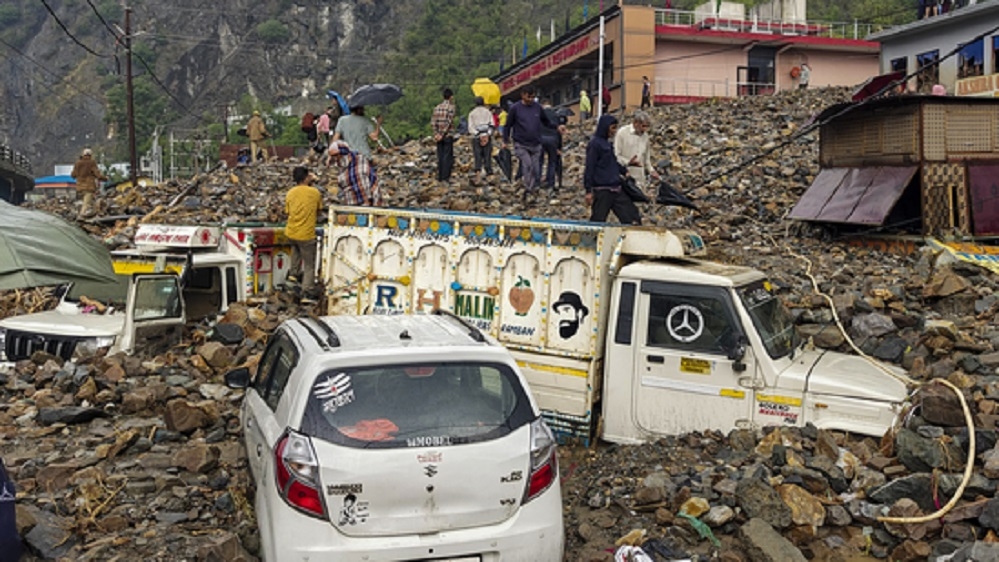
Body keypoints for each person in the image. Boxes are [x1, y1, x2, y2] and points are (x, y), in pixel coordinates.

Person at [503, 86, 565, 202]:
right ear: (523, 95)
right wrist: (505, 141)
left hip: (536, 144)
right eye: (528, 96)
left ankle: (532, 187)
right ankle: (529, 190)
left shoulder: (537, 108)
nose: (530, 99)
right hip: (521, 143)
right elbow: (508, 125)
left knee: (536, 169)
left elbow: (546, 121)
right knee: (527, 165)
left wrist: (557, 127)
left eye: (533, 97)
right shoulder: (515, 109)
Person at [585, 114, 640, 225]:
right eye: (613, 128)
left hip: (616, 188)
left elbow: (612, 163)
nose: (614, 131)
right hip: (602, 190)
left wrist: (624, 171)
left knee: (632, 217)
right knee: (597, 222)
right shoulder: (595, 144)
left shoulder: (607, 145)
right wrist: (588, 190)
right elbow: (589, 167)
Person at [285, 166, 323, 297]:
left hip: (291, 232)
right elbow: (318, 212)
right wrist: (313, 182)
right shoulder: (315, 193)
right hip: (306, 235)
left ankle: (291, 281)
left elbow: (288, 212)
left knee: (295, 255)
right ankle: (307, 291)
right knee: (309, 265)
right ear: (306, 177)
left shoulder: (290, 193)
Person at [614, 110, 660, 189]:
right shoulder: (622, 133)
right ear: (635, 123)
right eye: (643, 126)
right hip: (625, 177)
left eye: (647, 126)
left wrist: (652, 171)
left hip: (640, 179)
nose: (645, 129)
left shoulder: (645, 136)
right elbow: (616, 155)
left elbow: (646, 159)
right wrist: (628, 162)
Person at [328, 141, 381, 206]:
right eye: (332, 156)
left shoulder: (359, 160)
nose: (335, 158)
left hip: (368, 203)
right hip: (351, 205)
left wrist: (377, 203)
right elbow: (338, 190)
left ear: (343, 152)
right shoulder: (337, 169)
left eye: (336, 155)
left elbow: (372, 179)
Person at [70, 148, 107, 218]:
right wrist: (105, 179)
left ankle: (95, 215)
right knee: (86, 204)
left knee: (91, 203)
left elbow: (73, 175)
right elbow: (97, 175)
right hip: (88, 187)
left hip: (79, 187)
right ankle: (81, 216)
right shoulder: (91, 162)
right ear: (90, 155)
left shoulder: (78, 163)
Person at [432, 88, 457, 184]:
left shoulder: (437, 107)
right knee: (447, 156)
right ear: (451, 97)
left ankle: (440, 176)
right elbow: (448, 122)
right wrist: (442, 134)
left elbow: (433, 122)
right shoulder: (451, 107)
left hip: (438, 136)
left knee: (440, 155)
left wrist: (436, 134)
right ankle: (445, 177)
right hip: (447, 135)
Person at [467, 96, 494, 178]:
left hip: (476, 137)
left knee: (477, 154)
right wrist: (487, 135)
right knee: (487, 155)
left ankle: (478, 171)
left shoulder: (472, 113)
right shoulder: (488, 112)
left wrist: (478, 134)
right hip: (487, 135)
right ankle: (488, 171)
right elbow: (492, 125)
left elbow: (470, 127)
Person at [539, 98, 562, 189]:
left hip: (541, 138)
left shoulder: (540, 114)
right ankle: (550, 182)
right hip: (553, 139)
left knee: (539, 161)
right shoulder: (556, 114)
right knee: (552, 162)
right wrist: (559, 147)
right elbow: (559, 131)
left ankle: (537, 182)